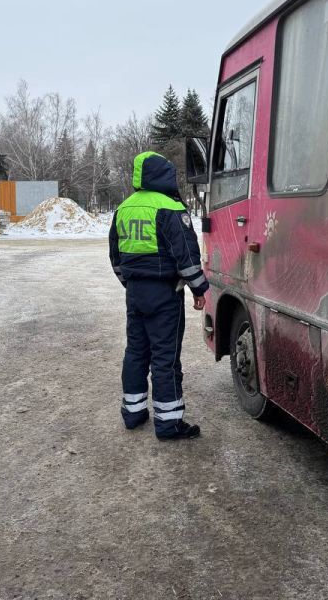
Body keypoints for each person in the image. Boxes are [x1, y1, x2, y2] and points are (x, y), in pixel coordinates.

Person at [109, 151, 208, 441]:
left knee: (136, 353)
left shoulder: (123, 209)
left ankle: (133, 413)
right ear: (164, 176)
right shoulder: (169, 207)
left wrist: (130, 283)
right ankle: (168, 424)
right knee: (165, 358)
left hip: (136, 294)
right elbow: (187, 255)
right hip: (165, 294)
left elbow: (116, 257)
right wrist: (198, 288)